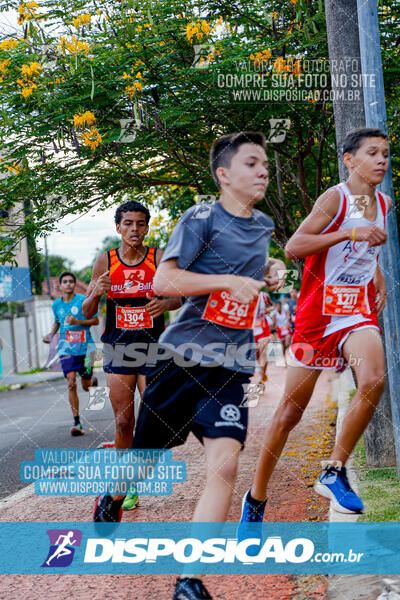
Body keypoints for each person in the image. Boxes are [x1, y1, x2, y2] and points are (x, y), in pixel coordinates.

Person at [92, 131, 284, 600]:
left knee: (225, 465)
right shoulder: (200, 217)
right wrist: (230, 280)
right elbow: (167, 277)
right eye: (252, 164)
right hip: (181, 361)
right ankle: (113, 497)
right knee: (144, 460)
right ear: (224, 175)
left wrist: (270, 271)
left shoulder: (261, 226)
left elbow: (248, 275)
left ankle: (190, 580)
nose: (263, 171)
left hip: (231, 365)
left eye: (265, 164)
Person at [238, 127, 391, 547]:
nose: (381, 160)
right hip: (315, 316)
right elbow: (295, 246)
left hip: (354, 311)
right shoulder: (334, 199)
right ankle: (256, 498)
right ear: (349, 159)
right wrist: (348, 232)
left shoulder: (384, 203)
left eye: (386, 153)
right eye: (372, 153)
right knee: (289, 415)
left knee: (374, 378)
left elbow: (367, 250)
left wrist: (376, 277)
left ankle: (334, 470)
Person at [82, 200, 180, 510]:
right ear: (118, 228)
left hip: (153, 348)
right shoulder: (105, 262)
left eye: (140, 223)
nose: (134, 229)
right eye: (128, 223)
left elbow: (179, 297)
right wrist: (97, 292)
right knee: (124, 421)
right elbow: (87, 312)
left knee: (154, 420)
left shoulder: (159, 258)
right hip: (118, 348)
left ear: (147, 227)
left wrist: (165, 304)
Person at [43, 271, 99, 436]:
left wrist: (78, 322)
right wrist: (51, 335)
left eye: (71, 281)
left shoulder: (83, 301)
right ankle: (77, 422)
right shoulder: (56, 305)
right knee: (71, 382)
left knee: (86, 386)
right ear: (60, 286)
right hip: (66, 348)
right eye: (65, 282)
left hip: (86, 348)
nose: (68, 284)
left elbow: (95, 320)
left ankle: (91, 379)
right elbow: (57, 322)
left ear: (74, 284)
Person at [253, 290, 273, 383]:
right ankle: (263, 373)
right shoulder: (245, 294)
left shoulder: (264, 295)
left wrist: (267, 310)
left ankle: (261, 379)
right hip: (252, 330)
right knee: (257, 355)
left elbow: (272, 306)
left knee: (263, 353)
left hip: (263, 329)